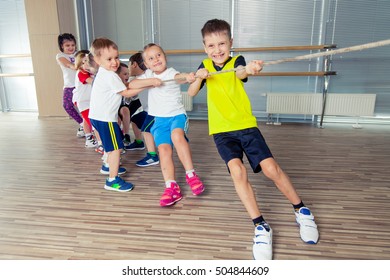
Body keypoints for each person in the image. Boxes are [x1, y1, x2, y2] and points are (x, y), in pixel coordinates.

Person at [187, 19, 319, 260]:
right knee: (237, 171)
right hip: (221, 131)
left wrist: (251, 69)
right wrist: (198, 77)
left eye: (222, 44)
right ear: (205, 47)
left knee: (271, 169)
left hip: (246, 126)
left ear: (231, 43)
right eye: (211, 45)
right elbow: (192, 92)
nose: (217, 50)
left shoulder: (236, 61)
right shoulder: (204, 65)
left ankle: (302, 210)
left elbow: (241, 72)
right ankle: (260, 225)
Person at [128, 43, 204, 206]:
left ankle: (191, 175)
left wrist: (189, 77)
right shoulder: (147, 75)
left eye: (159, 55)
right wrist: (151, 81)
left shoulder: (171, 72)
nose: (156, 60)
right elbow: (132, 85)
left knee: (177, 136)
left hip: (176, 115)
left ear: (165, 57)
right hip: (158, 119)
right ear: (146, 64)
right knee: (163, 150)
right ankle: (171, 187)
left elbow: (180, 77)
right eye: (151, 58)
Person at [89, 37, 143, 192]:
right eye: (109, 59)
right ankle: (112, 180)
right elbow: (126, 92)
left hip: (97, 117)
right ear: (97, 60)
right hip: (106, 119)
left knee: (110, 145)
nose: (115, 62)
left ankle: (108, 166)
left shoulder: (104, 72)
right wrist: (147, 86)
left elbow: (123, 86)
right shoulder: (110, 75)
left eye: (116, 57)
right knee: (116, 148)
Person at [127, 52, 159, 167]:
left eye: (129, 65)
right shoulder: (140, 77)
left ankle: (152, 156)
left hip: (155, 110)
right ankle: (139, 142)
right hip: (147, 110)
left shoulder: (148, 75)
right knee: (135, 119)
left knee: (146, 129)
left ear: (134, 64)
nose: (129, 67)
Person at [56, 33, 84, 137]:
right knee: (67, 105)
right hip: (69, 86)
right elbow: (68, 64)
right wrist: (80, 66)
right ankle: (82, 123)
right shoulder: (60, 56)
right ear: (62, 46)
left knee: (83, 106)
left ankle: (88, 127)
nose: (71, 47)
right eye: (67, 45)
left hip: (81, 85)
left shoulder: (79, 54)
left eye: (72, 45)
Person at [115, 63, 145, 150]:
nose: (127, 75)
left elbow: (132, 97)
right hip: (113, 109)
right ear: (117, 76)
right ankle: (118, 139)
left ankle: (127, 135)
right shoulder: (114, 85)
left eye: (128, 73)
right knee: (117, 118)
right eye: (125, 74)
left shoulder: (129, 84)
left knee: (126, 111)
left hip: (125, 108)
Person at [73, 50, 97, 148]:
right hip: (84, 102)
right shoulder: (81, 73)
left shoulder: (90, 73)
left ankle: (89, 139)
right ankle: (92, 140)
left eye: (87, 62)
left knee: (87, 120)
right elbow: (93, 82)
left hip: (89, 101)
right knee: (91, 121)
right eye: (83, 62)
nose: (86, 65)